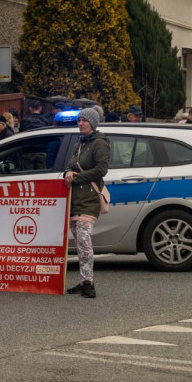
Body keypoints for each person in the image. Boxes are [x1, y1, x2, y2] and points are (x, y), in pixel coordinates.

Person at [64, 107, 110, 298]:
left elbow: (101, 169)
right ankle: (83, 281)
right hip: (74, 199)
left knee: (84, 242)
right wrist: (67, 173)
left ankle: (89, 283)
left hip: (89, 199)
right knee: (79, 241)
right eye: (79, 120)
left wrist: (77, 178)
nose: (80, 123)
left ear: (93, 123)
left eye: (84, 120)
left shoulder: (100, 142)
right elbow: (70, 165)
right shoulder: (79, 143)